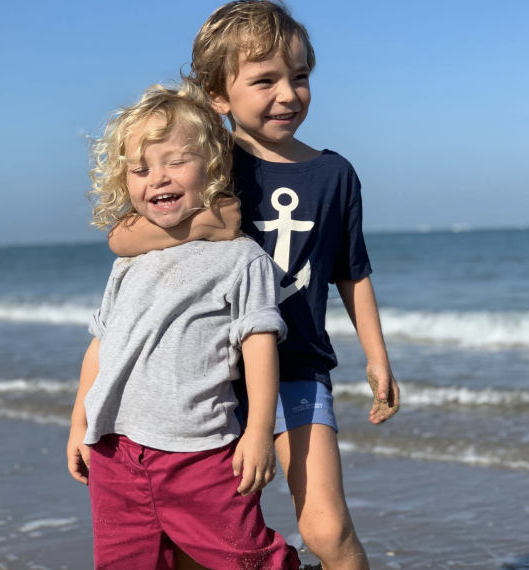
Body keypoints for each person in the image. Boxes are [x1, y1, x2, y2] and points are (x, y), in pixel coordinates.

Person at [108, 2, 401, 569]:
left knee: (326, 529)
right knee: (204, 539)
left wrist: (377, 357)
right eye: (264, 80)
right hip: (204, 380)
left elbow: (351, 271)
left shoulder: (335, 174)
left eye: (299, 77)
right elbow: (123, 237)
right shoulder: (206, 164)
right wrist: (210, 221)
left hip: (298, 368)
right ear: (218, 96)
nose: (287, 95)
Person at [66, 79, 301, 569]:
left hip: (199, 452)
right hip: (115, 452)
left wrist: (258, 432)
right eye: (141, 169)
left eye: (176, 161)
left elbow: (260, 346)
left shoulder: (241, 259)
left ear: (212, 166)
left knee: (249, 558)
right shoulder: (128, 262)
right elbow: (101, 345)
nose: (158, 178)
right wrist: (78, 423)